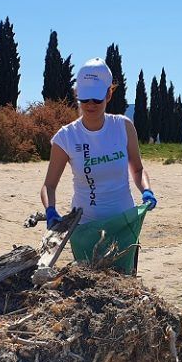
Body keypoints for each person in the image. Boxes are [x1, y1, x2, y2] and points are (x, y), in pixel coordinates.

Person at [40, 58, 156, 273]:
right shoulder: (66, 137)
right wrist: (50, 210)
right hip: (86, 229)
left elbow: (138, 169)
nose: (90, 104)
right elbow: (49, 185)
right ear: (77, 94)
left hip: (124, 225)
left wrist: (147, 191)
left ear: (109, 94)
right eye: (85, 98)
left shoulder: (123, 126)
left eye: (97, 97)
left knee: (125, 287)